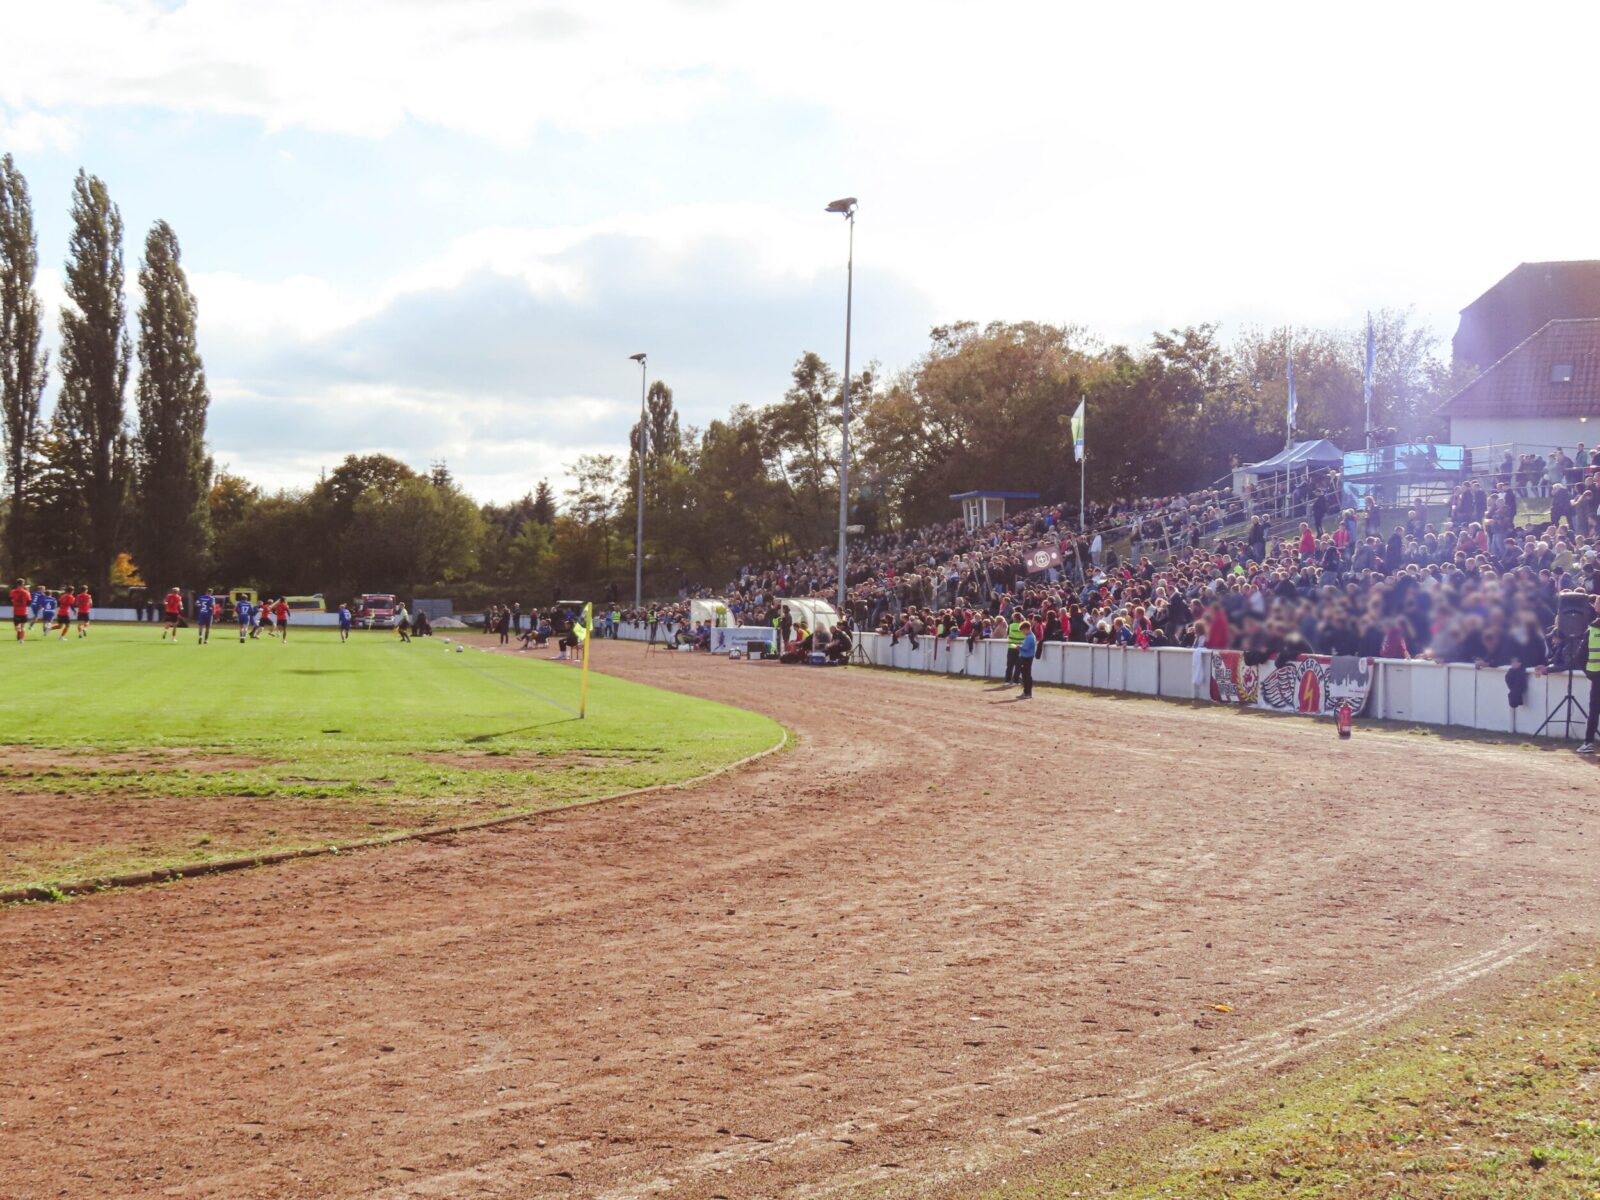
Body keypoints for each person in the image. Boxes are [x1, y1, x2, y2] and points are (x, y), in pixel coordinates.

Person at [1017, 620, 1037, 699]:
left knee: (1026, 675)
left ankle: (1027, 692)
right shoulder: (1030, 636)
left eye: (1022, 631)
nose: (1022, 632)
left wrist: (1019, 647)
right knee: (1026, 674)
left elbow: (1025, 648)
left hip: (1027, 657)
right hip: (1027, 657)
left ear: (1026, 629)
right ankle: (1026, 691)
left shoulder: (1030, 637)